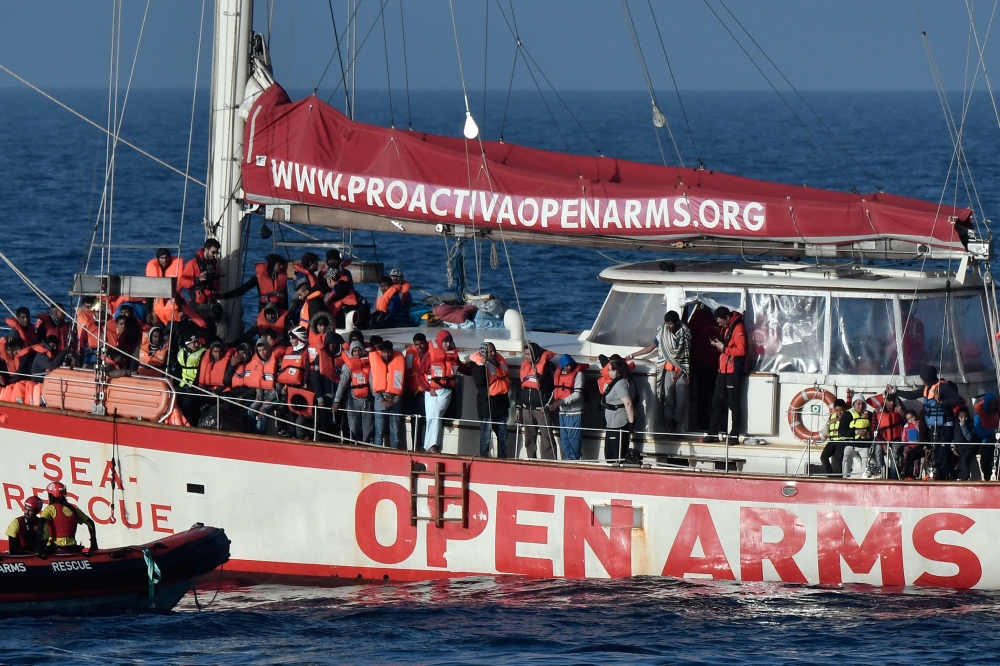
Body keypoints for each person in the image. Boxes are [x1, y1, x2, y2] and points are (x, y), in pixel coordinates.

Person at [892, 365, 964, 480]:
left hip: (945, 427)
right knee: (935, 457)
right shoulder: (927, 388)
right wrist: (896, 392)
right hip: (934, 428)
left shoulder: (943, 388)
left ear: (926, 377)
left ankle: (942, 480)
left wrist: (941, 401)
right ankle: (913, 478)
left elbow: (958, 399)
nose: (921, 380)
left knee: (941, 457)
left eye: (922, 377)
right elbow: (912, 395)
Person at [629, 310, 691, 433]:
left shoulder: (685, 334)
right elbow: (651, 347)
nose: (668, 326)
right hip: (667, 371)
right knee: (668, 400)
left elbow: (687, 355)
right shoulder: (662, 333)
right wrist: (632, 355)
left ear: (677, 323)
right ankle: (670, 425)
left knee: (681, 401)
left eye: (670, 324)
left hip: (681, 372)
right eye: (667, 323)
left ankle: (676, 422)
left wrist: (688, 372)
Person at [418, 331, 467, 453]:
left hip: (446, 392)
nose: (447, 344)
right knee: (431, 418)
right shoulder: (429, 356)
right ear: (440, 342)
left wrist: (480, 367)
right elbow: (419, 374)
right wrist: (429, 389)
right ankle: (434, 446)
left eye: (449, 341)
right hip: (431, 391)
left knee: (436, 413)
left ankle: (430, 446)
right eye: (445, 341)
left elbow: (463, 368)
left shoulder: (453, 356)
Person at [704, 306, 747, 445]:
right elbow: (728, 348)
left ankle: (734, 434)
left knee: (733, 403)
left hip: (733, 370)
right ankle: (713, 432)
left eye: (721, 321)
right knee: (716, 401)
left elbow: (741, 350)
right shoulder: (727, 328)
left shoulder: (738, 328)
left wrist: (724, 348)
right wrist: (719, 345)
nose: (719, 324)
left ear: (728, 318)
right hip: (723, 370)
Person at [517, 342, 558, 460]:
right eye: (525, 354)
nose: (526, 357)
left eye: (529, 354)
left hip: (541, 410)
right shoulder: (525, 366)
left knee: (547, 438)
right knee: (529, 438)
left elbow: (552, 387)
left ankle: (550, 462)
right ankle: (531, 460)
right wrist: (519, 407)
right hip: (526, 409)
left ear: (535, 354)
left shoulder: (548, 366)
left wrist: (546, 405)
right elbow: (522, 388)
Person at [470, 342, 511, 458]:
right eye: (490, 351)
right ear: (484, 353)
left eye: (494, 350)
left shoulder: (499, 362)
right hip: (487, 404)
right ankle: (484, 458)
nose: (493, 353)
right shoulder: (477, 365)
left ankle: (502, 459)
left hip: (501, 403)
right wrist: (482, 366)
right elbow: (480, 383)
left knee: (503, 435)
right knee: (486, 436)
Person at [687, 302, 721, 431]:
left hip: (715, 364)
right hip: (701, 364)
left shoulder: (713, 319)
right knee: (703, 395)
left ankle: (713, 421)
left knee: (714, 395)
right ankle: (702, 422)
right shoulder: (696, 320)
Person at [37, 481, 97, 554]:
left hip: (55, 549)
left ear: (51, 495)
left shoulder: (50, 509)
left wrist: (40, 546)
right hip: (73, 549)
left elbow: (41, 523)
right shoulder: (74, 509)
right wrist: (94, 543)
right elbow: (90, 523)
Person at [219, 253, 289, 313]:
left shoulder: (281, 278)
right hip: (265, 310)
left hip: (280, 310)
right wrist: (224, 296)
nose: (281, 266)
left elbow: (285, 297)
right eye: (279, 264)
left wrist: (287, 312)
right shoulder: (259, 278)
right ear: (273, 265)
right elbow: (243, 289)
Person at [549, 354, 588, 460]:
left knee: (574, 441)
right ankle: (567, 461)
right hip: (563, 413)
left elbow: (577, 394)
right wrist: (547, 405)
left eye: (570, 365)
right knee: (565, 441)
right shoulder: (559, 376)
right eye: (566, 366)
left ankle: (574, 461)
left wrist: (559, 403)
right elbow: (555, 392)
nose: (569, 367)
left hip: (575, 413)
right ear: (562, 367)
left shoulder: (579, 374)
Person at [334, 340, 374, 443]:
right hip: (353, 402)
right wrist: (336, 401)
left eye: (359, 350)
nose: (357, 353)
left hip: (367, 401)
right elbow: (342, 384)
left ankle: (367, 448)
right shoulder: (347, 366)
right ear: (351, 352)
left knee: (368, 430)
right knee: (354, 429)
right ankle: (354, 447)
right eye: (355, 351)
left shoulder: (369, 364)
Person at [370, 339, 406, 448]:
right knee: (379, 433)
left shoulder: (398, 364)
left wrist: (394, 401)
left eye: (389, 352)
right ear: (381, 352)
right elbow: (372, 386)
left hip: (395, 404)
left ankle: (395, 456)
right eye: (384, 352)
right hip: (380, 404)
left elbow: (402, 385)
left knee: (395, 433)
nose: (386, 354)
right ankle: (377, 456)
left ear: (392, 351)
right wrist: (382, 400)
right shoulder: (375, 366)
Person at [601, 357, 636, 462]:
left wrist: (631, 423)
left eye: (610, 370)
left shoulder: (621, 384)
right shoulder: (616, 382)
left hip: (618, 423)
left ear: (615, 371)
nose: (608, 372)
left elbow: (628, 403)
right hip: (611, 423)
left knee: (615, 455)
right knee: (609, 454)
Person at [179, 238, 222, 310]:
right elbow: (182, 281)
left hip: (209, 300)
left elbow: (216, 286)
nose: (215, 255)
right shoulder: (193, 264)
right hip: (197, 302)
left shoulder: (213, 265)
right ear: (206, 250)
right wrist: (197, 280)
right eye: (213, 252)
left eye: (216, 253)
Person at [146, 247, 184, 325]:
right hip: (158, 310)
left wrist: (180, 310)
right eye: (162, 258)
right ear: (158, 259)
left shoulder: (176, 269)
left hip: (173, 308)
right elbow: (149, 295)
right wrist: (148, 312)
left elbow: (177, 294)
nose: (165, 260)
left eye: (167, 257)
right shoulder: (154, 271)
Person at [404, 333, 429, 451]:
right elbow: (407, 372)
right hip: (413, 393)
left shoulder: (431, 353)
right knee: (415, 421)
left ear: (426, 343)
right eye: (417, 344)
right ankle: (415, 446)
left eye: (421, 344)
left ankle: (425, 446)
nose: (419, 347)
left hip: (426, 393)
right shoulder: (409, 353)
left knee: (426, 421)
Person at [874, 395, 905, 478]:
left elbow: (907, 424)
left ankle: (893, 478)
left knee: (894, 457)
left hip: (896, 439)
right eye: (889, 400)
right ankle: (882, 476)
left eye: (893, 400)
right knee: (878, 452)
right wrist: (883, 444)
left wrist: (903, 414)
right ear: (884, 400)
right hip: (882, 439)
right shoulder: (877, 411)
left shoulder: (899, 410)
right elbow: (874, 430)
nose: (892, 403)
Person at [842, 395, 872, 478]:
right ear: (853, 404)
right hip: (851, 443)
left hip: (864, 444)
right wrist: (855, 431)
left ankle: (864, 479)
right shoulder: (847, 415)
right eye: (858, 404)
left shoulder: (869, 415)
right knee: (846, 459)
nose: (861, 406)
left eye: (862, 404)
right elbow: (842, 430)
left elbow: (874, 427)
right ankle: (845, 478)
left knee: (866, 461)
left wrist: (870, 433)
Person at [973, 392, 999, 480]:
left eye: (995, 404)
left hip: (998, 443)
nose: (994, 406)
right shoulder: (979, 417)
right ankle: (987, 480)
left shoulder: (997, 414)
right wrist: (993, 431)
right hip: (987, 442)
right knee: (985, 463)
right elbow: (979, 433)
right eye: (991, 404)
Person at [820, 399, 849, 476]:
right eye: (837, 410)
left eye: (841, 410)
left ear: (845, 409)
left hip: (842, 441)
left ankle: (839, 478)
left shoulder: (848, 417)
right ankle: (830, 476)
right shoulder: (832, 417)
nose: (839, 412)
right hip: (832, 441)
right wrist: (829, 423)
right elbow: (825, 432)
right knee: (823, 457)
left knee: (838, 459)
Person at [954, 406, 980, 481]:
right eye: (961, 417)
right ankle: (950, 477)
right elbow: (954, 437)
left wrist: (963, 425)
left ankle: (964, 478)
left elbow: (969, 437)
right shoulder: (956, 425)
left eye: (965, 417)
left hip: (969, 448)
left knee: (964, 459)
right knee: (948, 460)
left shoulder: (972, 424)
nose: (963, 419)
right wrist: (953, 447)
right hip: (959, 448)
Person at [900, 410, 927, 480]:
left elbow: (921, 432)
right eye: (908, 419)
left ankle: (916, 472)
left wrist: (915, 424)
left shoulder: (918, 424)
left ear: (915, 416)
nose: (910, 420)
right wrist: (903, 442)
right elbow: (903, 434)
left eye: (912, 417)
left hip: (917, 445)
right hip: (908, 445)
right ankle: (904, 471)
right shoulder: (906, 426)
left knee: (916, 460)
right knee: (905, 455)